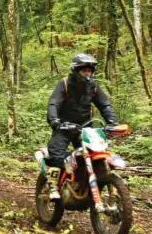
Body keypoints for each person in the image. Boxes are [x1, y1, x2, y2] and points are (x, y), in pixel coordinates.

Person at [43, 53, 118, 199]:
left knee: (95, 152)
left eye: (90, 70)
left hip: (85, 127)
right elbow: (54, 103)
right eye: (84, 70)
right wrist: (54, 120)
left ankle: (84, 183)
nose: (87, 73)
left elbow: (105, 105)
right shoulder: (64, 84)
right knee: (57, 154)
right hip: (64, 126)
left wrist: (112, 122)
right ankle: (52, 185)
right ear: (76, 71)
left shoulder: (93, 87)